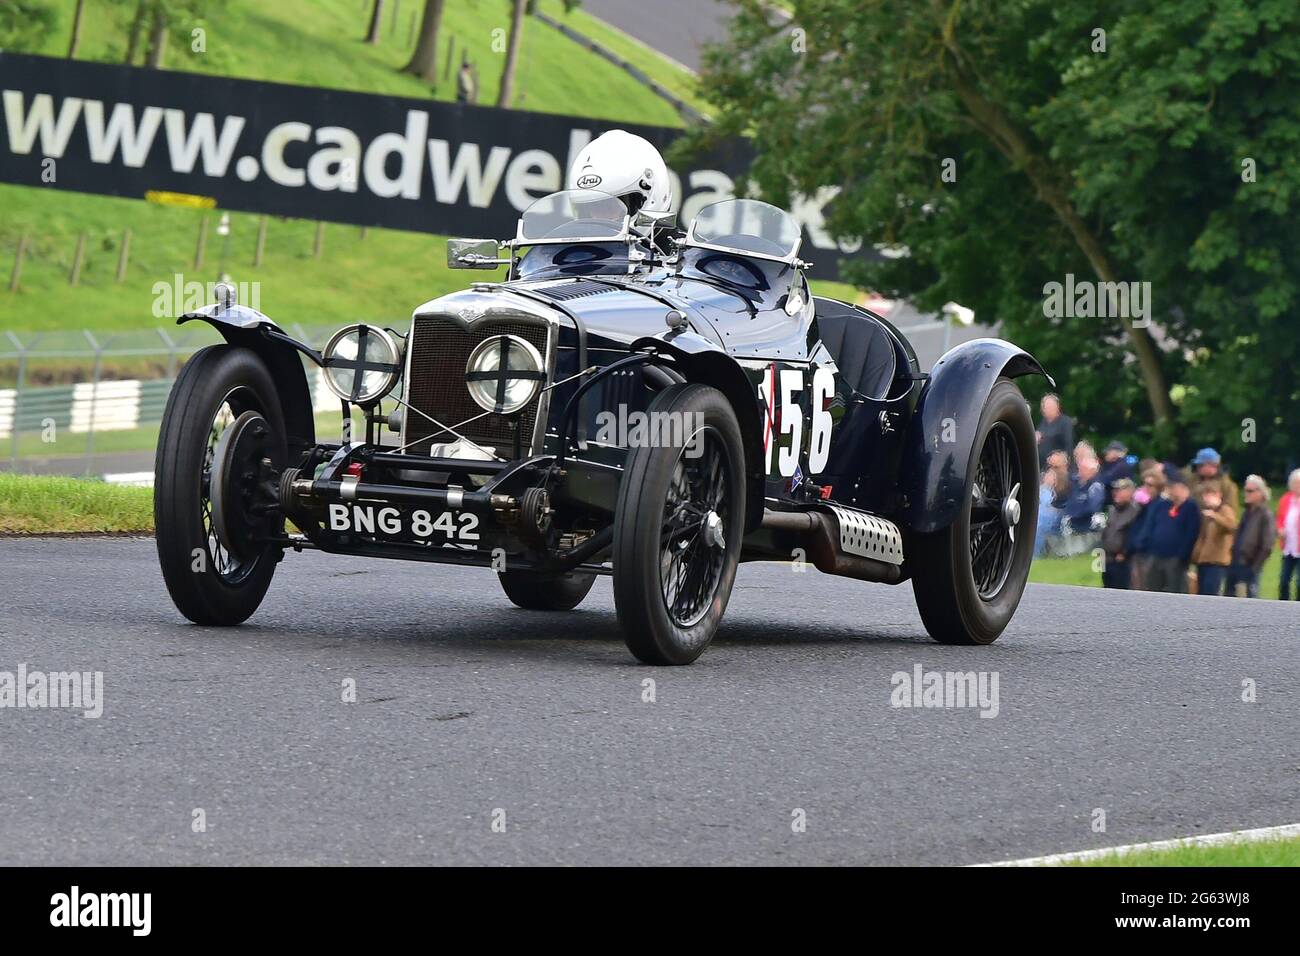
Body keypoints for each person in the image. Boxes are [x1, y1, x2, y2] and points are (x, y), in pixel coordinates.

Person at [1130, 467, 1200, 593]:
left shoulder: (1190, 507)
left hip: (1175, 558)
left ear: (1182, 488)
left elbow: (1191, 533)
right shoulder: (1163, 505)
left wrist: (1182, 555)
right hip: (1155, 555)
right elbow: (1152, 526)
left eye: (1173, 487)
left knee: (1175, 590)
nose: (1170, 491)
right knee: (1152, 588)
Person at [1227, 475, 1275, 598]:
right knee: (1230, 598)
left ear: (1260, 492)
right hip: (1236, 563)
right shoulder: (1247, 512)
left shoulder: (1266, 514)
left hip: (1249, 565)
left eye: (1250, 491)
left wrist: (1255, 567)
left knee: (1249, 603)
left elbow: (1267, 545)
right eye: (1245, 490)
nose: (1246, 494)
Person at [1190, 483, 1238, 596]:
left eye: (1210, 494)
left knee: (1211, 594)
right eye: (1205, 495)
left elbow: (1231, 526)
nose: (1207, 498)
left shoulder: (1225, 510)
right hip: (1203, 561)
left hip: (1217, 562)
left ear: (1219, 495)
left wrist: (1216, 517)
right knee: (1201, 593)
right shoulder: (1206, 514)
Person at [1127, 466, 1165, 591]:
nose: (1146, 488)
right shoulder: (1144, 506)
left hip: (1150, 553)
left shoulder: (1160, 506)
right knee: (1136, 585)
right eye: (1145, 484)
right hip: (1138, 551)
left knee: (1147, 587)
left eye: (1150, 485)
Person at [1100, 478, 1139, 588]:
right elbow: (1106, 532)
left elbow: (1134, 535)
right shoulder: (1112, 510)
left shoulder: (1135, 512)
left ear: (1130, 492)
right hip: (1108, 558)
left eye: (1120, 490)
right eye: (1115, 490)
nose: (1116, 493)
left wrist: (1125, 553)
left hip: (1124, 561)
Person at [1063, 454, 1105, 534]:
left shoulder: (1096, 486)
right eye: (1080, 468)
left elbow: (1092, 507)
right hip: (1072, 527)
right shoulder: (1076, 484)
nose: (1080, 471)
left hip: (1087, 528)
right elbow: (1069, 502)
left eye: (1084, 469)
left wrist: (1074, 512)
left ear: (1092, 471)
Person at [1191, 447, 1240, 514]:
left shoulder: (1227, 485)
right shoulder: (1194, 480)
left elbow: (1231, 513)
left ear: (1212, 465)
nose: (1197, 468)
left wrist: (1217, 506)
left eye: (1200, 465)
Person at [1277, 469, 1300, 600]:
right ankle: (1283, 606)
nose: (1297, 487)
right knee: (1283, 581)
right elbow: (1280, 518)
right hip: (1288, 547)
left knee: (1299, 583)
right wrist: (1280, 529)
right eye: (1295, 484)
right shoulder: (1286, 500)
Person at [1035, 393, 1074, 470]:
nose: (1048, 409)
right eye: (1046, 407)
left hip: (1058, 467)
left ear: (1057, 407)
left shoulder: (1065, 422)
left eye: (1050, 406)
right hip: (1042, 467)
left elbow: (1068, 445)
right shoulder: (1043, 423)